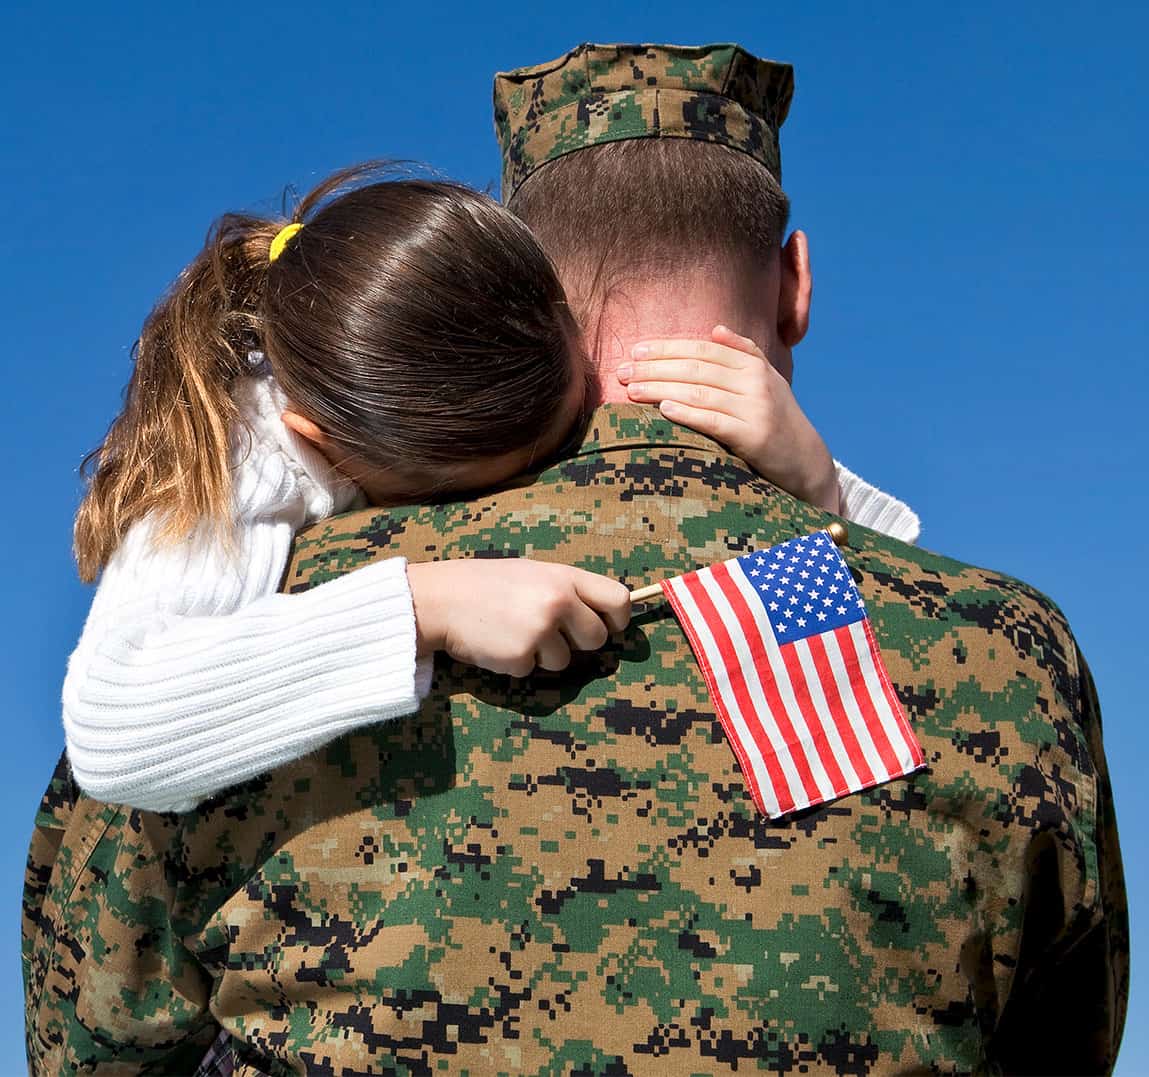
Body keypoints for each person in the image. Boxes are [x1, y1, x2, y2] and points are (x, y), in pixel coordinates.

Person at [24, 43, 1126, 1076]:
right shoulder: (999, 650)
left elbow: (96, 1035)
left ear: (503, 286)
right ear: (794, 285)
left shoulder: (239, 644)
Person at [60, 162, 910, 817]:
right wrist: (425, 602)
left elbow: (914, 594)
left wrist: (812, 479)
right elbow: (113, 731)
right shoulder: (251, 449)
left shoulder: (452, 336)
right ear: (329, 446)